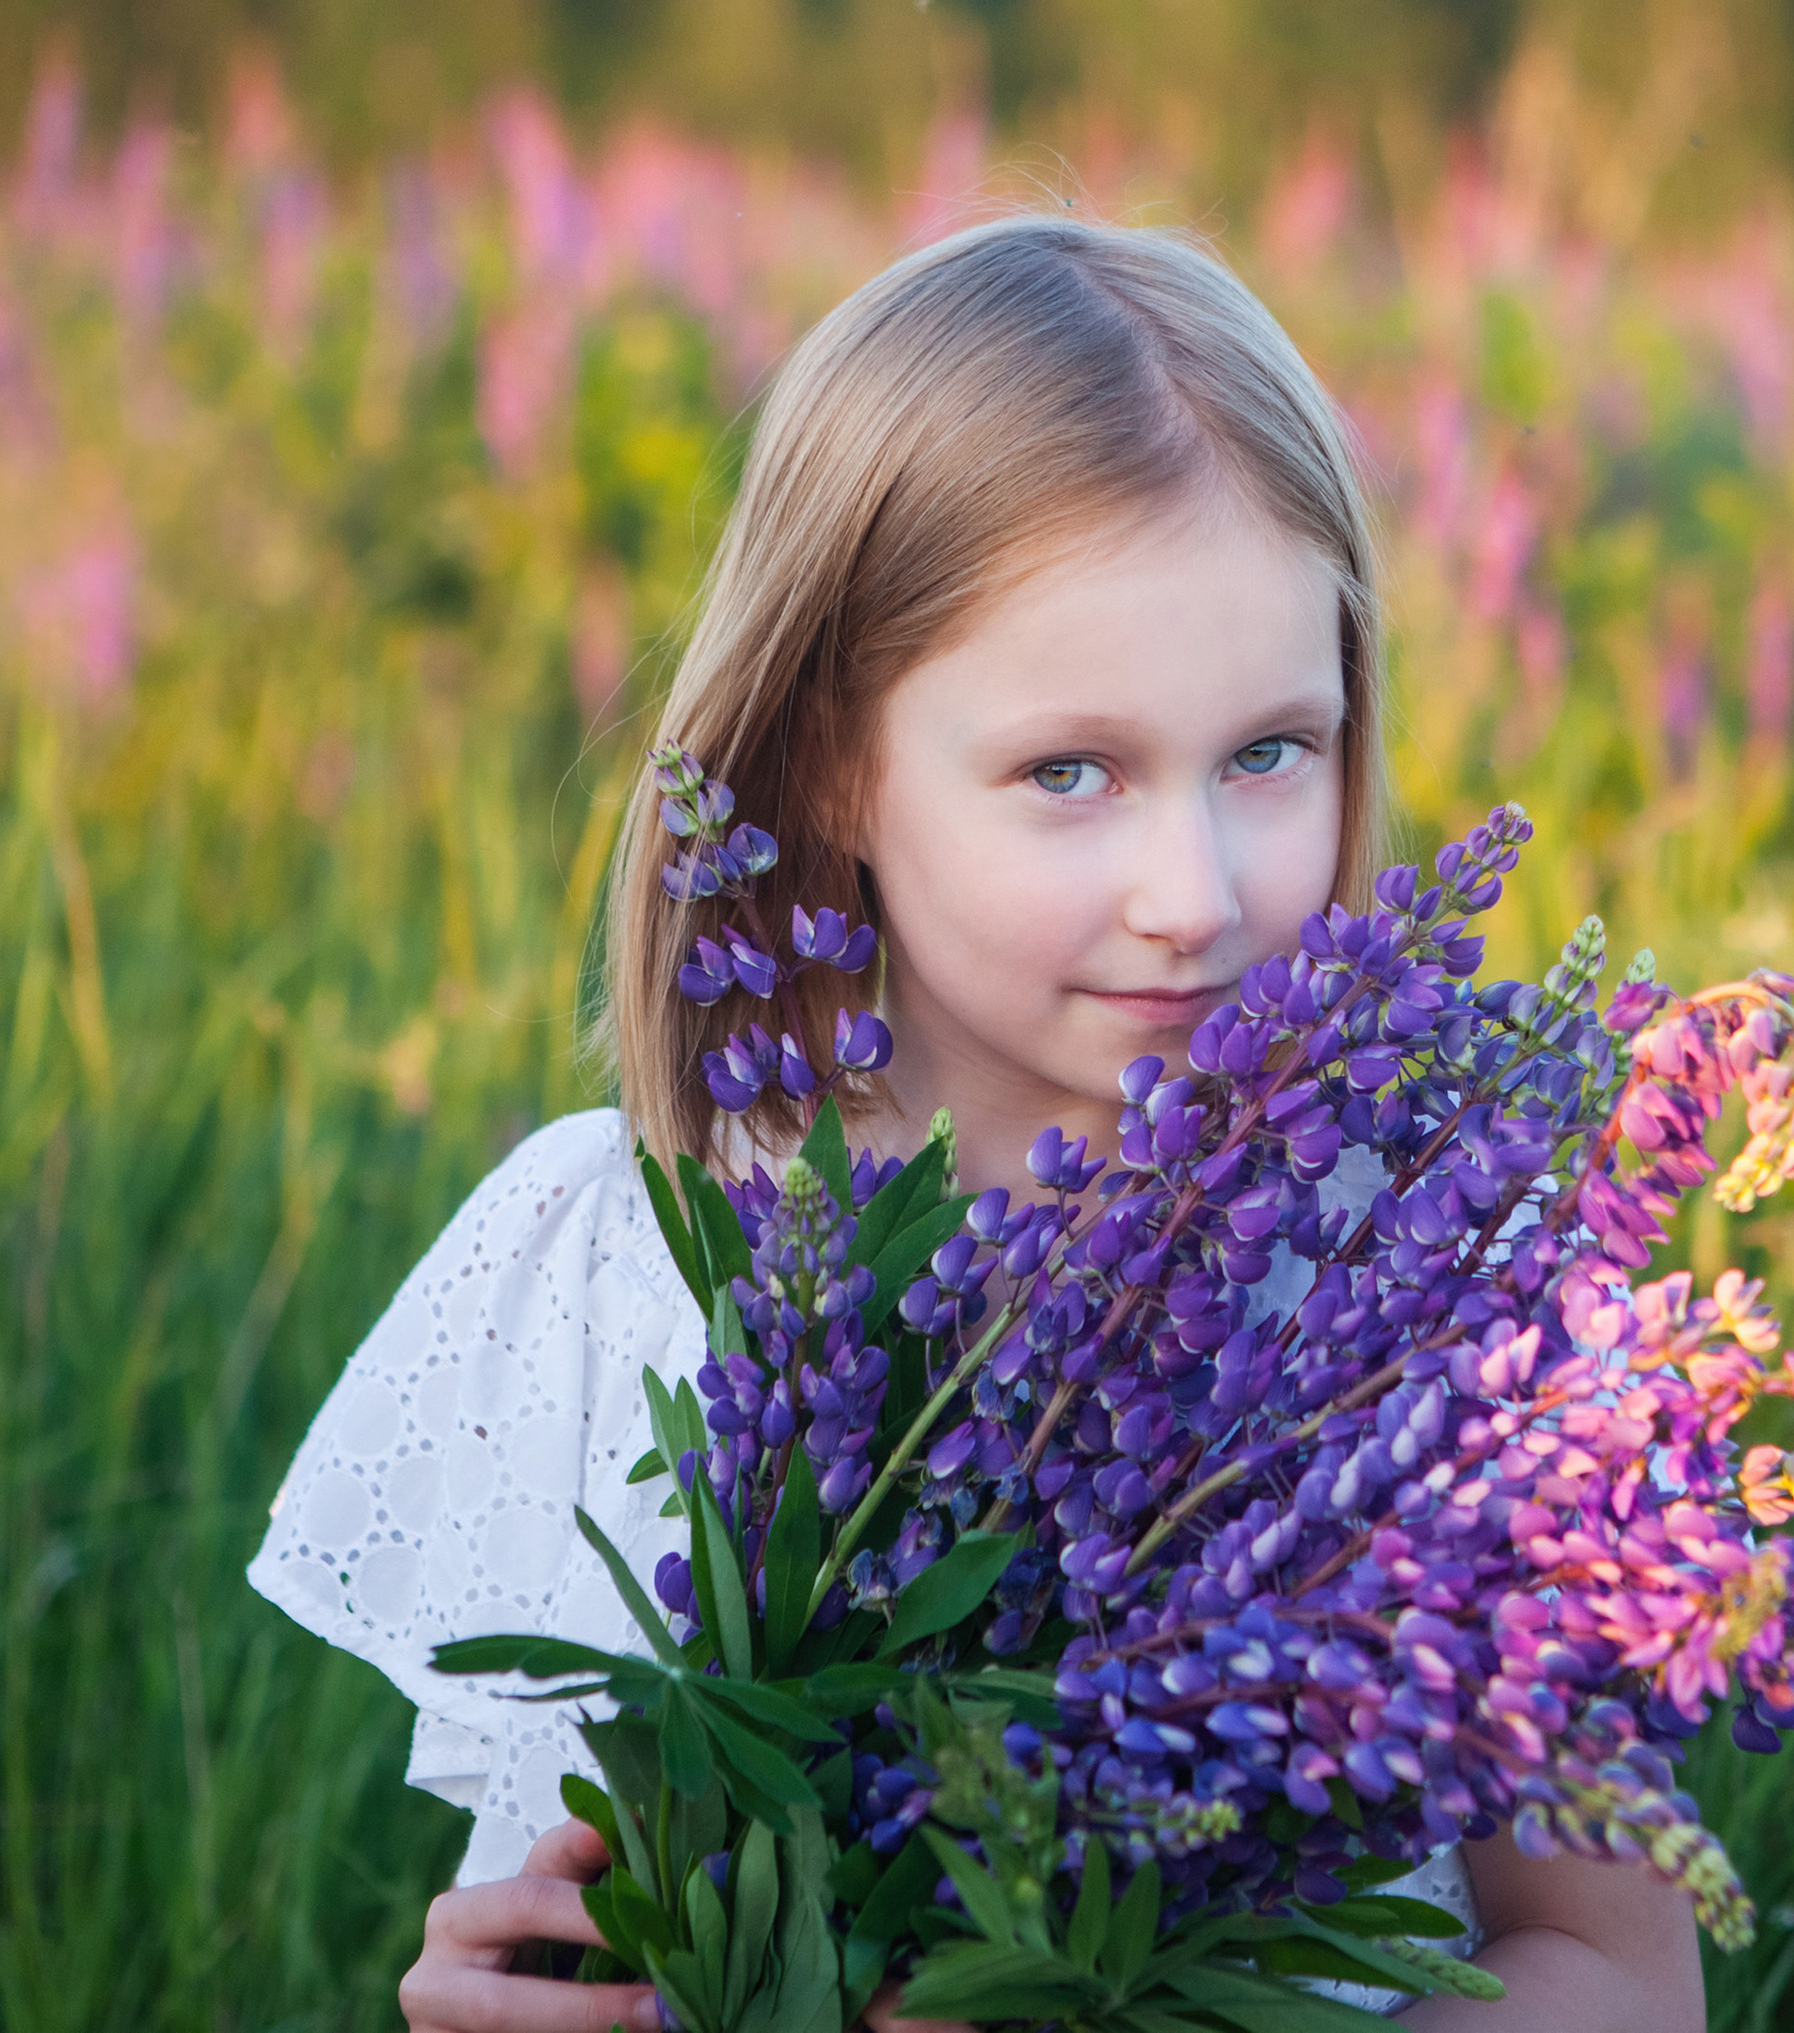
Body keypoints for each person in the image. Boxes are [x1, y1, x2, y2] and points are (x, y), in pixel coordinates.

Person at [249, 215, 1706, 2033]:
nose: (1195, 892)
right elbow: (591, 1917)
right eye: (1068, 773)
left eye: (1270, 751)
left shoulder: (1429, 1275)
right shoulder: (628, 1255)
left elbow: (1620, 1969)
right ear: (833, 758)